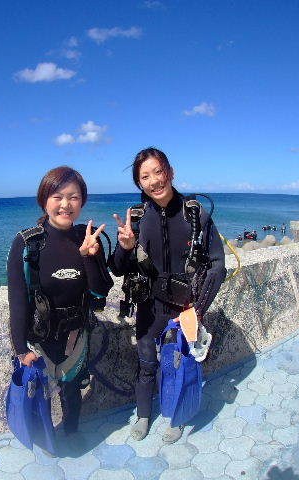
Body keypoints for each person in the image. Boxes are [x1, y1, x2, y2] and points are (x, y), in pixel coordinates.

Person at [111, 147, 227, 444]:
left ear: (170, 172)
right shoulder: (138, 218)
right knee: (147, 363)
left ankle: (177, 416)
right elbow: (117, 268)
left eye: (158, 172)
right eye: (145, 177)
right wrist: (125, 247)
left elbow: (217, 265)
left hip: (185, 307)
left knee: (178, 364)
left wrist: (197, 310)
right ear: (139, 183)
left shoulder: (194, 213)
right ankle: (143, 415)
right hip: (149, 306)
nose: (154, 181)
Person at [7, 166, 113, 436]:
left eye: (73, 197)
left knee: (72, 390)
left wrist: (89, 257)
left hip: (75, 336)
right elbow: (17, 300)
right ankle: (42, 437)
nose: (65, 204)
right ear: (44, 200)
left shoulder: (87, 238)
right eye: (57, 197)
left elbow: (100, 292)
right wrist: (20, 348)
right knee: (38, 394)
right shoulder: (27, 244)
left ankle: (72, 433)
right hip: (39, 337)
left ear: (82, 202)